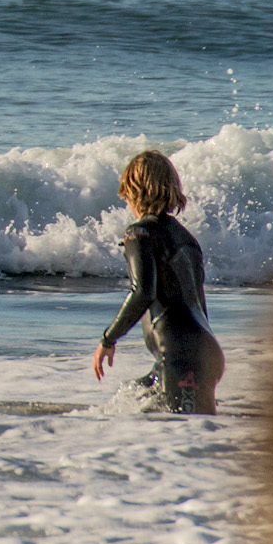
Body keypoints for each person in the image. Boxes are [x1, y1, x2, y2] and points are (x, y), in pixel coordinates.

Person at [91, 149, 225, 414]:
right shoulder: (186, 238)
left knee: (183, 442)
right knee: (133, 400)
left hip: (182, 360)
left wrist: (108, 339)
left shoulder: (140, 233)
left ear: (134, 190)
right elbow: (199, 305)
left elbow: (142, 291)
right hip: (204, 354)